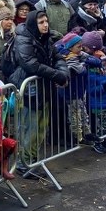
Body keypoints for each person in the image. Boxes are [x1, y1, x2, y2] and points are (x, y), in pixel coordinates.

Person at [10, 10, 69, 176]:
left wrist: (63, 73)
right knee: (30, 127)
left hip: (44, 87)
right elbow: (30, 64)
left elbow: (58, 57)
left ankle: (32, 160)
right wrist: (57, 75)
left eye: (46, 21)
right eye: (41, 22)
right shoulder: (23, 38)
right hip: (29, 89)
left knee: (41, 127)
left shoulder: (47, 38)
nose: (45, 25)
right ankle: (24, 163)